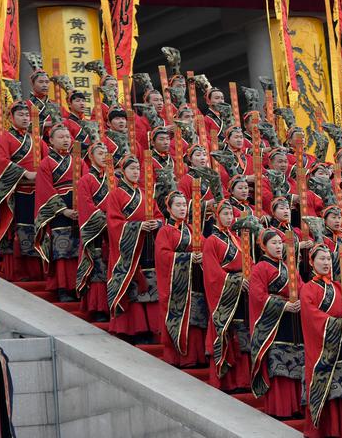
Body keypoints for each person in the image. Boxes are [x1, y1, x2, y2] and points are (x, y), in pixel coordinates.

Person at [301, 245, 342, 438]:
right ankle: (326, 429)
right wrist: (339, 323)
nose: (326, 262)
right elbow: (311, 316)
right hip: (322, 347)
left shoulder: (338, 286)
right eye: (322, 259)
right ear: (312, 262)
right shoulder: (308, 289)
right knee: (324, 384)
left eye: (328, 259)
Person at [104, 155, 163, 342]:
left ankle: (151, 328)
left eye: (138, 168)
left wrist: (157, 223)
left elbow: (159, 216)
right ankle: (133, 329)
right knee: (133, 285)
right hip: (129, 249)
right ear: (123, 172)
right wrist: (138, 227)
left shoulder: (145, 193)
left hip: (147, 246)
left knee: (150, 282)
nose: (136, 172)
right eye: (132, 169)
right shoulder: (116, 194)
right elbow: (113, 223)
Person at [249, 227, 304, 418]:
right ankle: (280, 408)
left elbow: (302, 289)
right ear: (264, 246)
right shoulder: (260, 268)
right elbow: (258, 296)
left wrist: (302, 301)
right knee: (278, 363)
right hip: (273, 323)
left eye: (280, 243)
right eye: (274, 243)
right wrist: (284, 305)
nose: (279, 246)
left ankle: (296, 407)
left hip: (292, 320)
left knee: (296, 361)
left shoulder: (289, 267)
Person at [155, 191, 207, 368]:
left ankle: (198, 356)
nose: (182, 208)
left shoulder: (192, 229)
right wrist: (190, 258)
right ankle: (183, 357)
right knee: (183, 317)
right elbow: (163, 256)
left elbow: (206, 248)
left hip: (194, 280)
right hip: (177, 284)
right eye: (178, 205)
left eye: (184, 205)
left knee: (196, 317)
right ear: (169, 209)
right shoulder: (165, 231)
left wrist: (203, 256)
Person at [202, 200, 250, 391]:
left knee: (242, 333)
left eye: (231, 214)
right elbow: (212, 272)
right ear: (216, 216)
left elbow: (249, 263)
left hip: (241, 293)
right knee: (228, 332)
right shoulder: (212, 241)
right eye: (225, 214)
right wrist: (236, 280)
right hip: (226, 293)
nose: (229, 218)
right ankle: (228, 381)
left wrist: (249, 278)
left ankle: (243, 380)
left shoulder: (236, 238)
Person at [0, 102, 46, 281]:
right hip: (16, 191)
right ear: (11, 117)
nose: (25, 118)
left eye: (27, 115)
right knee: (19, 229)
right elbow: (1, 161)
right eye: (21, 115)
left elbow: (48, 160)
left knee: (36, 229)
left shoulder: (36, 139)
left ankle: (37, 271)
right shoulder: (5, 138)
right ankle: (18, 272)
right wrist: (25, 173)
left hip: (37, 192)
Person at [33, 124, 83, 302]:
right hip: (59, 212)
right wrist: (64, 210)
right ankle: (63, 288)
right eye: (61, 137)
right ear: (51, 141)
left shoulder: (78, 161)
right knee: (62, 249)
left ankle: (78, 286)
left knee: (79, 249)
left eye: (68, 137)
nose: (66, 140)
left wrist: (82, 208)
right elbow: (45, 190)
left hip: (78, 209)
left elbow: (86, 185)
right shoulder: (46, 163)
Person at [76, 142, 111, 320]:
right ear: (91, 156)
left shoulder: (113, 179)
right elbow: (85, 205)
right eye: (100, 153)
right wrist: (106, 220)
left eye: (106, 153)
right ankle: (98, 307)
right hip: (96, 229)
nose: (104, 156)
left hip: (111, 229)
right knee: (97, 265)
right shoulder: (86, 180)